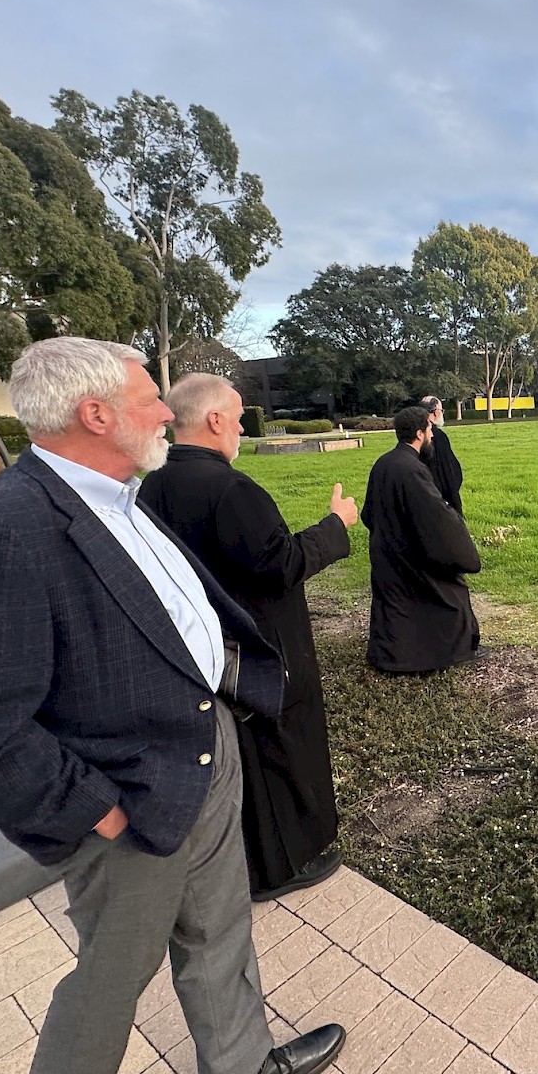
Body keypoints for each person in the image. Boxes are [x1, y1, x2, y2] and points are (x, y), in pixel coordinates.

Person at [0, 339, 344, 1074]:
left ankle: (240, 1069)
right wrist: (93, 810)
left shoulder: (119, 497)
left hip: (204, 750)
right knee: (112, 977)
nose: (166, 416)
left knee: (219, 927)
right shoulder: (4, 528)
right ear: (96, 414)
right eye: (150, 401)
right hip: (129, 797)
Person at [140, 373, 354, 902]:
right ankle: (281, 865)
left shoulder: (152, 484)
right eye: (237, 419)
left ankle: (244, 857)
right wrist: (335, 525)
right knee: (277, 748)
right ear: (214, 420)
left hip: (202, 645)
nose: (240, 428)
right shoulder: (231, 489)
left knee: (236, 751)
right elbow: (279, 565)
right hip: (260, 644)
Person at [363, 404, 482, 673]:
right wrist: (461, 550)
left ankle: (394, 656)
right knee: (451, 590)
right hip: (409, 555)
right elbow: (435, 517)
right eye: (429, 429)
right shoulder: (412, 469)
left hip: (386, 554)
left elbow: (368, 513)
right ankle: (449, 651)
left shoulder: (384, 463)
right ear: (419, 433)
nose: (431, 435)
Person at [417, 395, 464, 514]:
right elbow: (448, 470)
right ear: (436, 412)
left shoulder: (412, 433)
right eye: (441, 410)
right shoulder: (438, 436)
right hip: (436, 495)